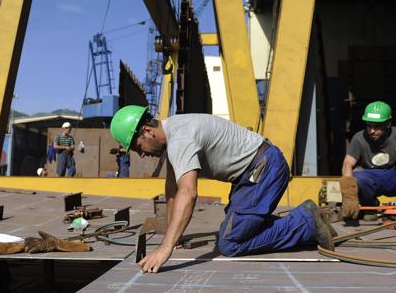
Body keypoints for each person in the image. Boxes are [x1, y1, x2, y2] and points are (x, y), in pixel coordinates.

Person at [110, 105, 335, 274]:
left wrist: (164, 249)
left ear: (147, 131)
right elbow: (172, 188)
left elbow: (188, 193)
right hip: (253, 173)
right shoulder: (174, 129)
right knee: (234, 230)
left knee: (230, 243)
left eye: (138, 147)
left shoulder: (180, 139)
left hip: (263, 170)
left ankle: (304, 222)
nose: (141, 154)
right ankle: (300, 224)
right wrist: (172, 232)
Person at [340, 101, 396, 220]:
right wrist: (349, 196)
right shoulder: (359, 138)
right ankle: (369, 205)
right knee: (357, 177)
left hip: (394, 178)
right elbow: (347, 164)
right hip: (372, 179)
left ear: (388, 124)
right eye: (369, 126)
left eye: (377, 126)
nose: (372, 131)